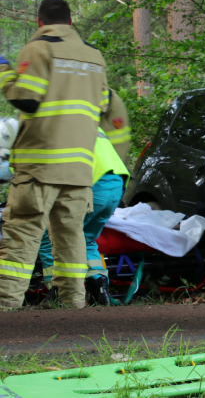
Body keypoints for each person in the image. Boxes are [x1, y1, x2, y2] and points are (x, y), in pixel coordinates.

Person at [0, 0, 109, 308]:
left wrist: (5, 73)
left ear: (39, 22)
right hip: (79, 169)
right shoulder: (94, 57)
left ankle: (5, 309)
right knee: (71, 238)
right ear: (70, 22)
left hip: (40, 164)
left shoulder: (38, 49)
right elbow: (101, 107)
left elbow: (26, 99)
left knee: (22, 236)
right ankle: (73, 305)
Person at [38, 90, 130, 305]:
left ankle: (57, 290)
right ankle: (101, 292)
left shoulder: (55, 127)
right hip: (115, 186)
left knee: (49, 236)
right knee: (86, 238)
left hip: (94, 186)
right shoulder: (87, 124)